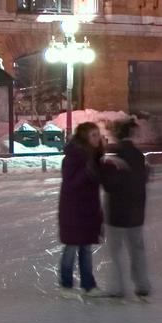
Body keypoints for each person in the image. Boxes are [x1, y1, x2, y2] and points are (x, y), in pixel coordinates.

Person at [98, 117, 152, 300]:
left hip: (117, 213)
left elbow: (110, 186)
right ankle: (142, 284)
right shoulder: (139, 156)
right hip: (137, 212)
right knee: (137, 250)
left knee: (115, 252)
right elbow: (143, 178)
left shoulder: (115, 158)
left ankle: (116, 287)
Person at [56, 121, 105, 299]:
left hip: (88, 208)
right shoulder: (74, 157)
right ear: (85, 137)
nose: (97, 138)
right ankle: (66, 284)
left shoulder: (94, 156)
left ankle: (88, 285)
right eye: (93, 135)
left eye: (98, 135)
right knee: (72, 247)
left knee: (86, 248)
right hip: (73, 209)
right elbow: (71, 183)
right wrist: (88, 170)